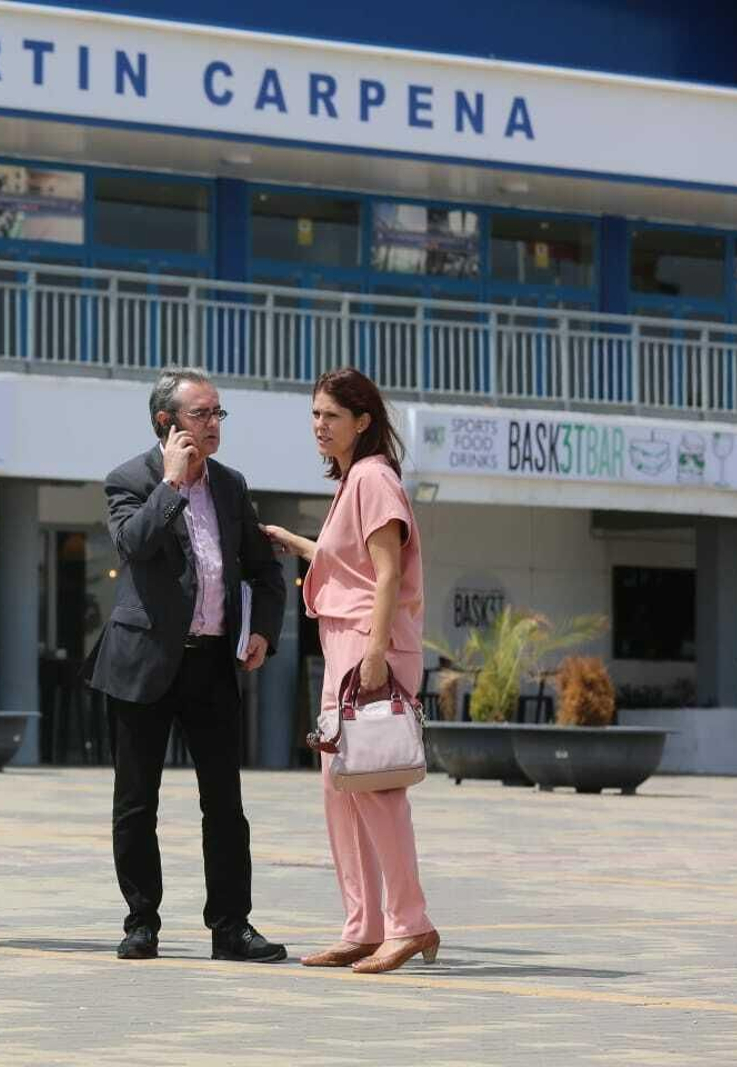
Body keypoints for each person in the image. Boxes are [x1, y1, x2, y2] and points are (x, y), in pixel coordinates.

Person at [84, 369, 288, 963]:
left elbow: (264, 570)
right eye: (202, 415)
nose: (214, 425)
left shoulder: (231, 485)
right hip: (142, 663)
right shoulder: (129, 479)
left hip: (211, 665)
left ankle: (232, 927)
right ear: (165, 424)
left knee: (224, 803)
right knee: (136, 801)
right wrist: (171, 485)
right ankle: (142, 921)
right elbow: (134, 546)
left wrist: (264, 634)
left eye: (218, 414)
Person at [262, 367, 440, 974]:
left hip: (371, 645)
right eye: (314, 414)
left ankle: (408, 923)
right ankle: (362, 925)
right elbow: (352, 565)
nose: (319, 425)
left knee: (378, 787)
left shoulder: (373, 478)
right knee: (342, 789)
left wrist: (373, 651)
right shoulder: (353, 482)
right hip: (345, 644)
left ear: (363, 421)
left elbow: (387, 573)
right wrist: (297, 542)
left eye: (331, 415)